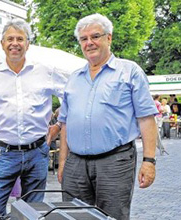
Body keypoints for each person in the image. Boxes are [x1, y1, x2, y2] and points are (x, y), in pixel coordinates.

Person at [57, 14, 157, 220]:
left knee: (112, 216)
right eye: (83, 39)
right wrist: (63, 163)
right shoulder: (74, 78)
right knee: (72, 216)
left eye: (95, 36)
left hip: (115, 161)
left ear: (109, 38)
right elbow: (65, 124)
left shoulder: (129, 72)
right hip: (75, 164)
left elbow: (146, 118)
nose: (89, 43)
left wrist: (149, 161)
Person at [0, 18, 66, 217]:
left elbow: (70, 95)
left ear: (28, 44)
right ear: (2, 43)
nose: (15, 43)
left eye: (20, 39)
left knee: (33, 212)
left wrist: (59, 125)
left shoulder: (45, 72)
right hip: (3, 153)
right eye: (10, 38)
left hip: (37, 151)